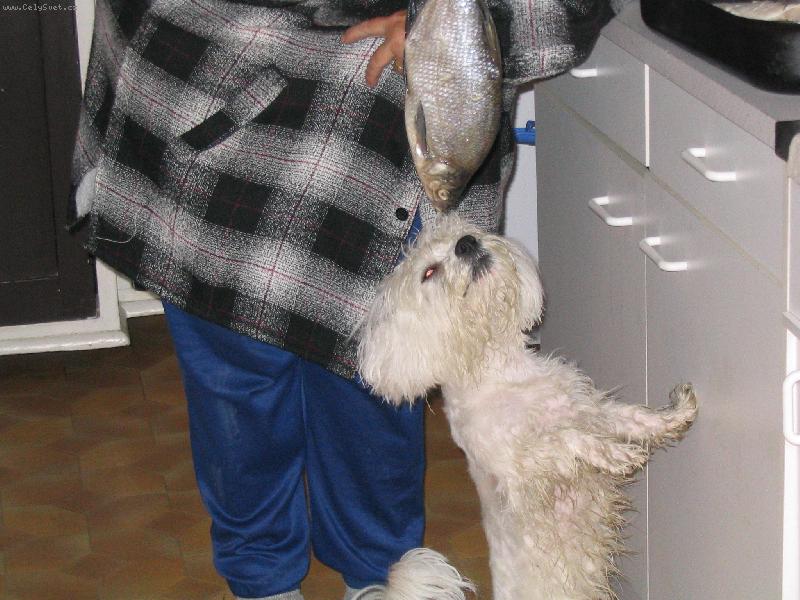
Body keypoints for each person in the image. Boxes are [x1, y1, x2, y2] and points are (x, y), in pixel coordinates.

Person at [70, 0, 618, 598]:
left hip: (397, 143)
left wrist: (455, 30)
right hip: (218, 109)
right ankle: (263, 583)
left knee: (371, 389)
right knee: (239, 391)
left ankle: (380, 576)